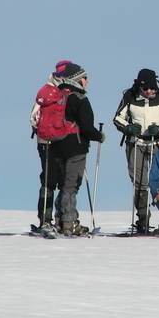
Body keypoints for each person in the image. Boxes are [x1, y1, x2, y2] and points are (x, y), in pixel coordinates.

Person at [113, 68, 159, 233]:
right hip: (136, 143)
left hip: (158, 143)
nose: (149, 91)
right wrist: (128, 128)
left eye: (152, 88)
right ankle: (142, 219)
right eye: (145, 89)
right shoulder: (129, 95)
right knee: (139, 183)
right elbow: (117, 118)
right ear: (139, 86)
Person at [48, 63, 105, 236]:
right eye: (84, 78)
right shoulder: (79, 99)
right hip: (75, 147)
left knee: (65, 184)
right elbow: (87, 128)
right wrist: (99, 136)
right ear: (78, 80)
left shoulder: (58, 96)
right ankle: (69, 223)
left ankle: (59, 220)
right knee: (72, 185)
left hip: (57, 146)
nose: (87, 82)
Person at [29, 60, 71, 231]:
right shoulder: (65, 93)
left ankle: (46, 220)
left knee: (51, 179)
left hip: (45, 141)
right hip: (59, 141)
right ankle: (56, 219)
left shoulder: (45, 92)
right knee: (56, 179)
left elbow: (33, 118)